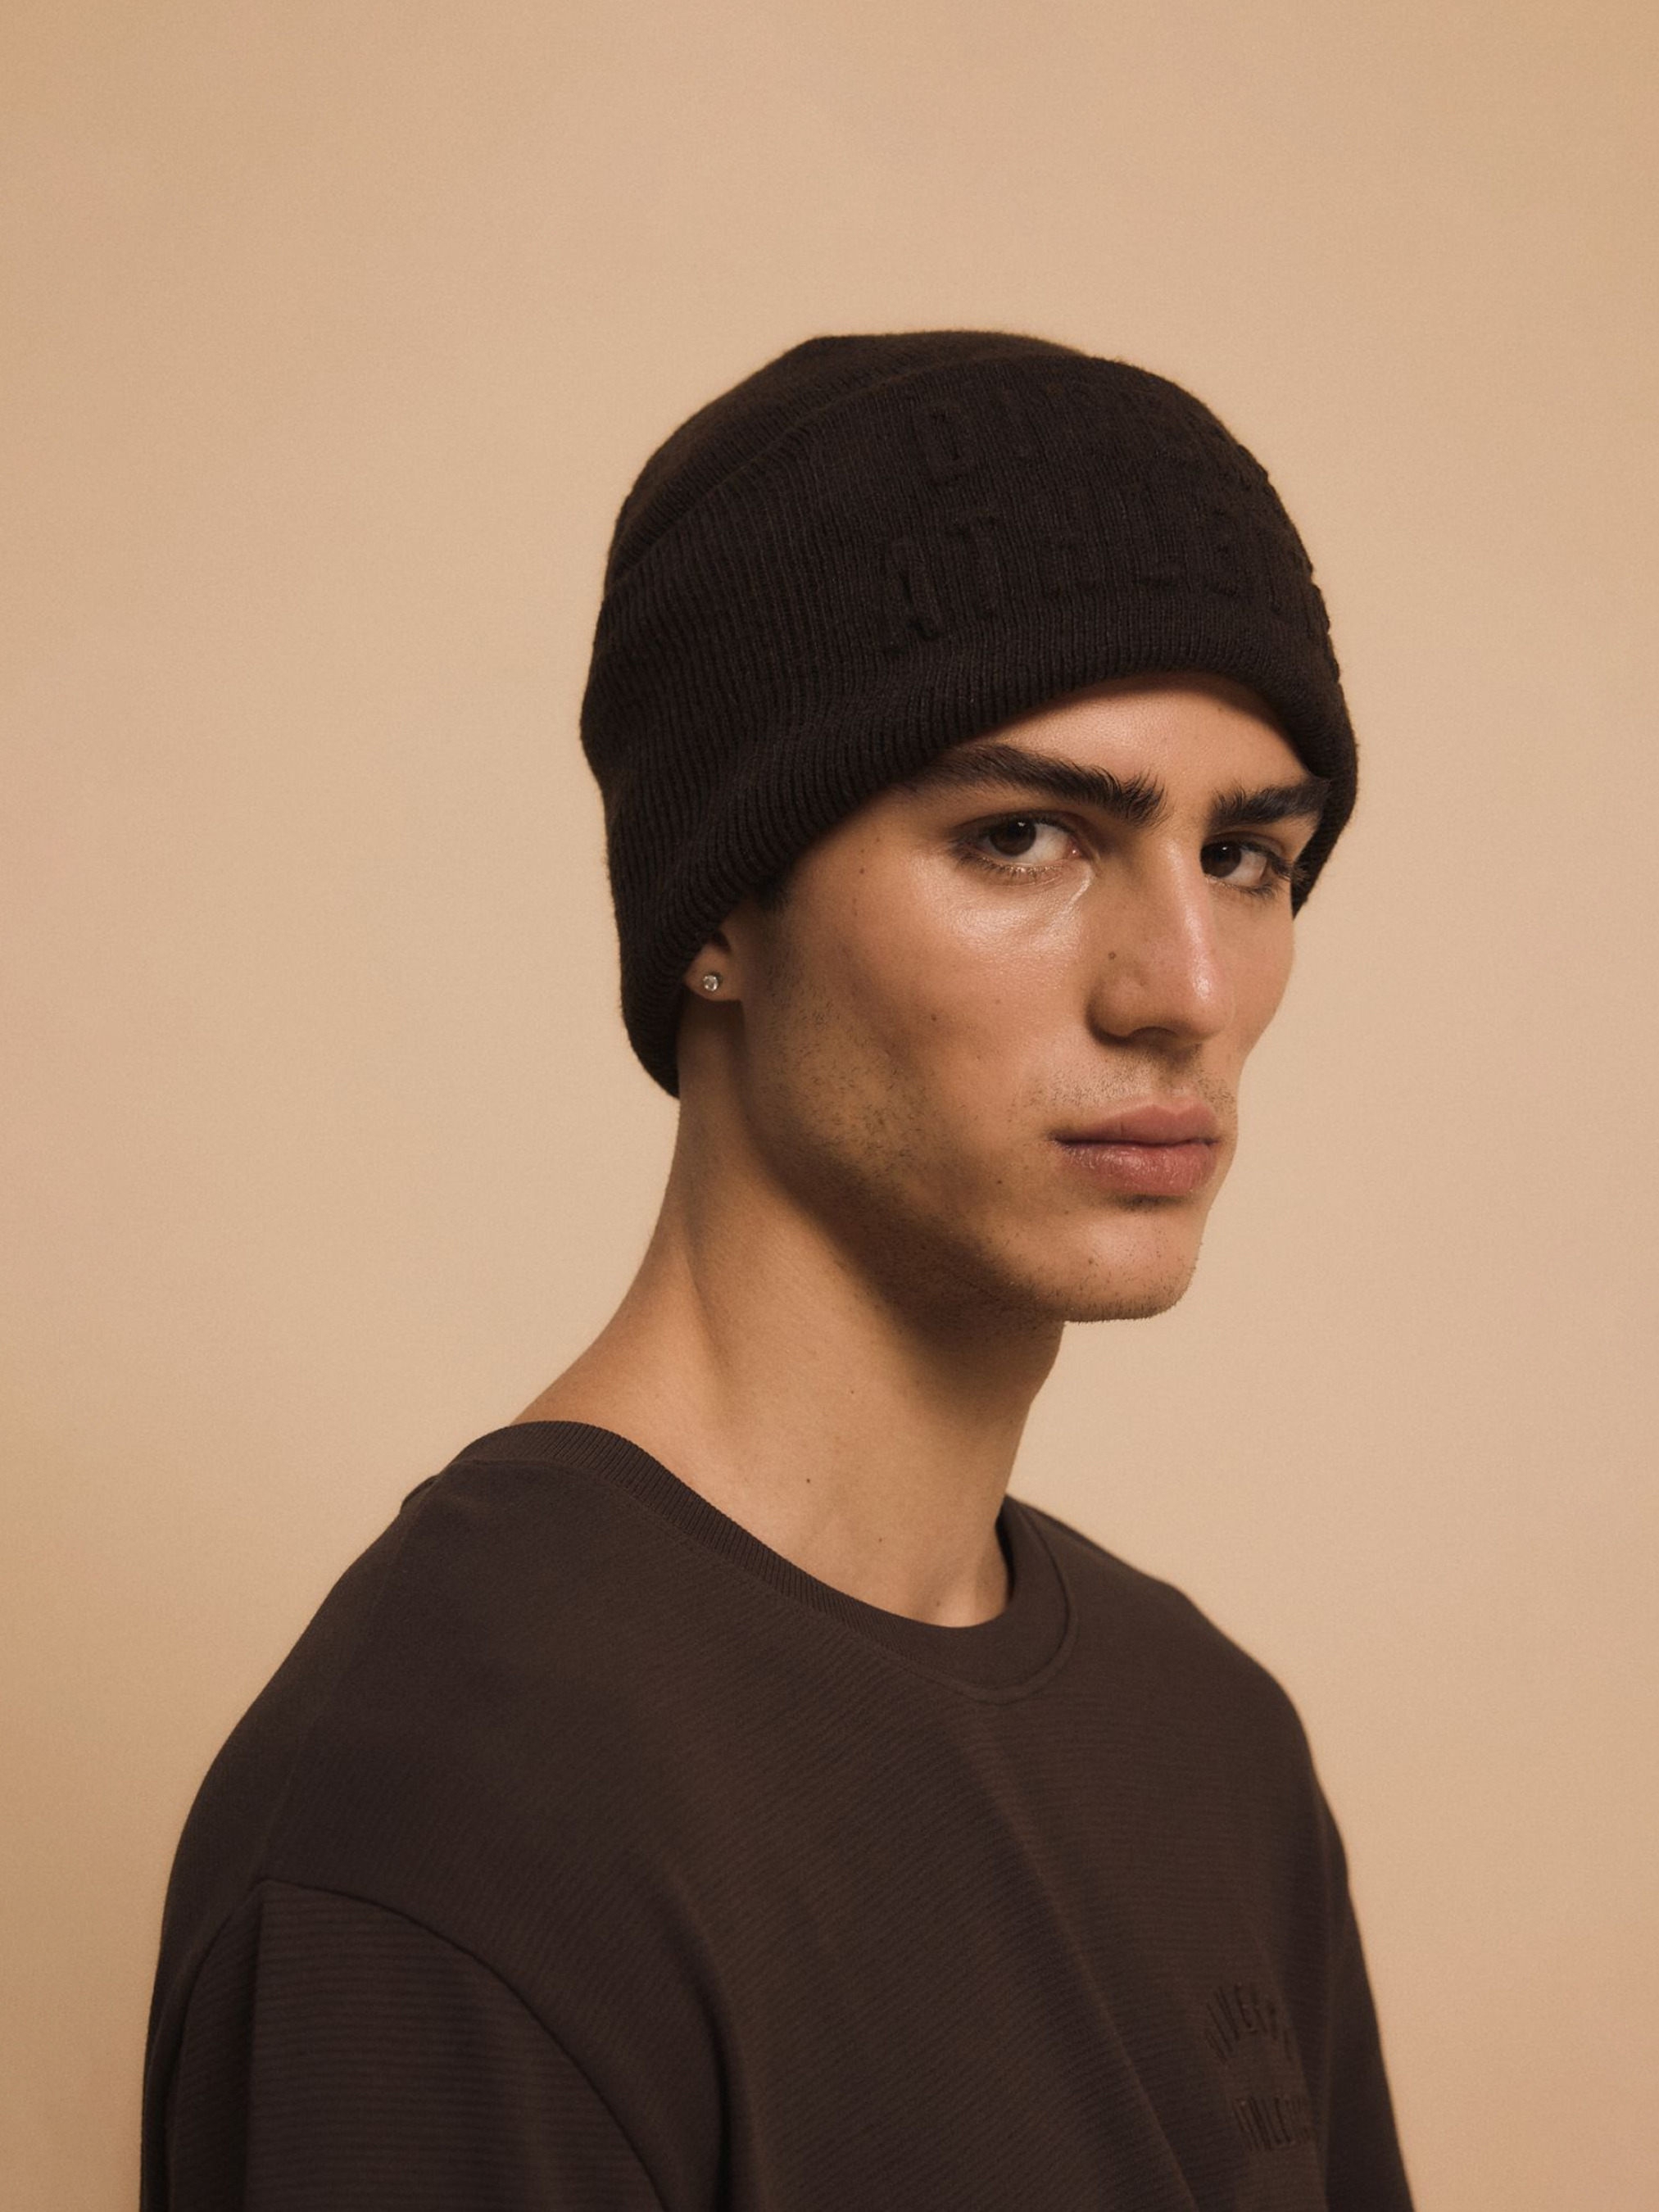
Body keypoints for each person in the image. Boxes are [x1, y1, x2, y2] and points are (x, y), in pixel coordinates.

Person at [139, 329, 1416, 2209]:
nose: (1186, 989)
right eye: (1020, 838)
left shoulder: (1209, 1740)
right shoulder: (443, 1825)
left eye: (1244, 853)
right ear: (718, 909)